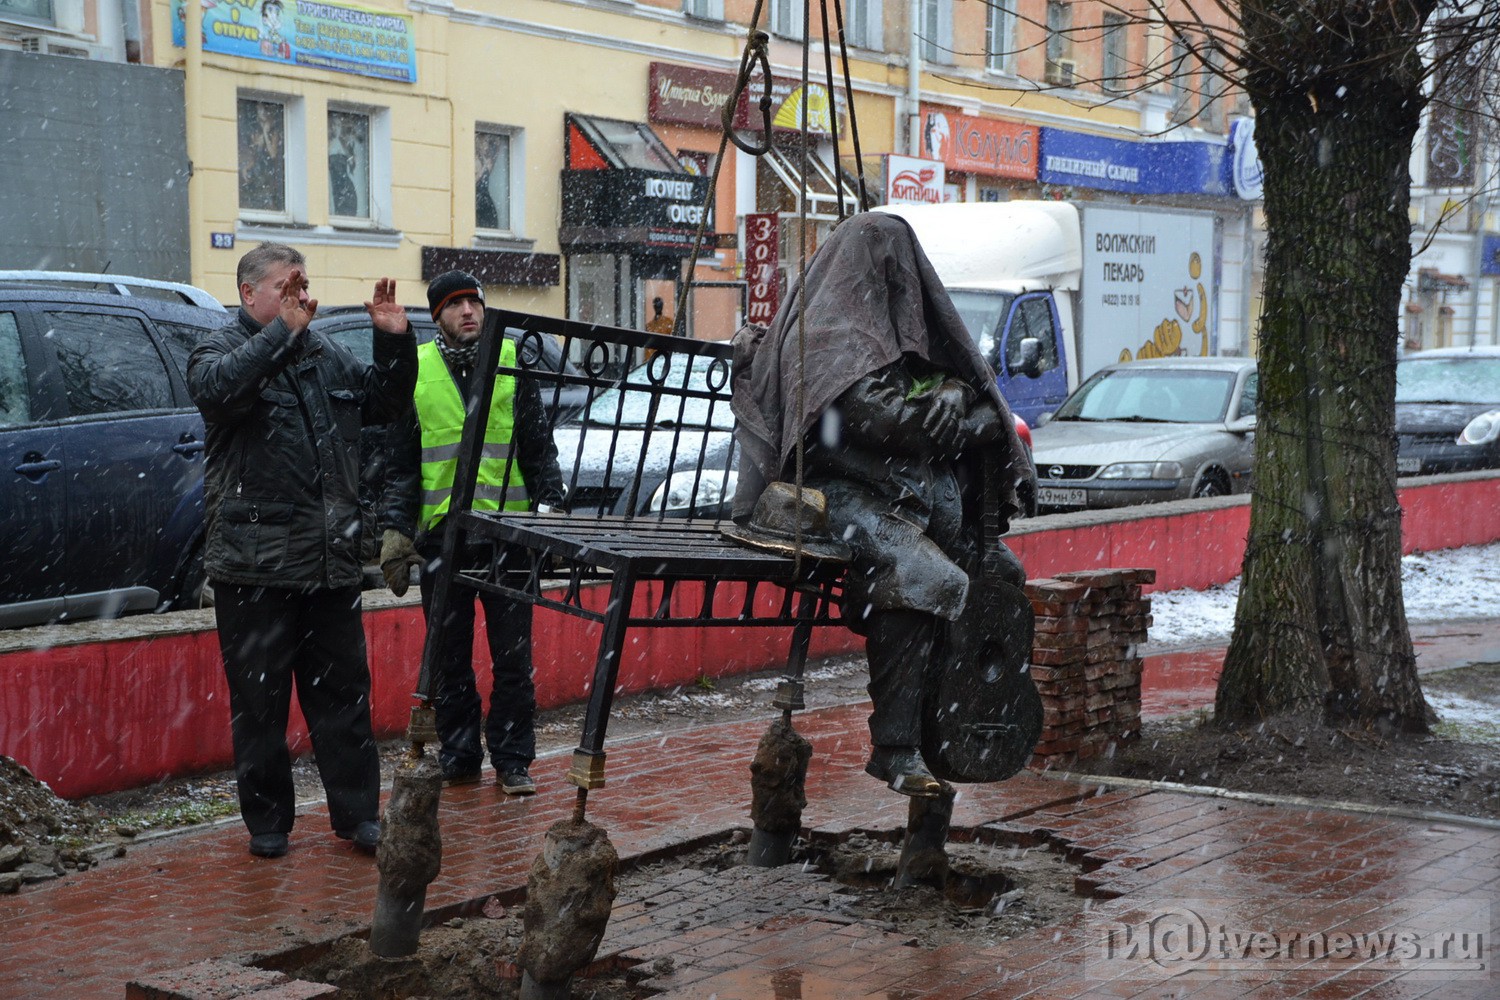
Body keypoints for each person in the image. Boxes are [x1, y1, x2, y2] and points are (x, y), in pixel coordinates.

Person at [729, 212, 1030, 798]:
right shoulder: (824, 336)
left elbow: (983, 402)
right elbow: (883, 420)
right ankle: (895, 744)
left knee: (1003, 575)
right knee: (920, 574)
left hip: (904, 495)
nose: (901, 280)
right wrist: (966, 419)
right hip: (825, 492)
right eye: (889, 266)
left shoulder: (893, 336)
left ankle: (954, 722)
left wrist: (952, 394)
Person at [187, 243, 417, 858]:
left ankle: (358, 815)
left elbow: (384, 405)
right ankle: (267, 823)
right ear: (248, 294)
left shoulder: (325, 353)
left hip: (328, 564)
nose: (302, 298)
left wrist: (394, 342)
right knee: (259, 705)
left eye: (305, 286)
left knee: (343, 697)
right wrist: (279, 338)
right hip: (254, 569)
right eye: (288, 288)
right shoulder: (220, 350)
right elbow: (219, 392)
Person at [379, 270, 566, 793]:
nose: (469, 312)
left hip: (507, 538)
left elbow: (537, 447)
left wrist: (550, 505)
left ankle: (512, 761)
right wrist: (396, 530)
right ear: (437, 315)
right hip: (444, 540)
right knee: (449, 659)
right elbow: (401, 462)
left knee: (513, 662)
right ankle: (460, 757)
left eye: (475, 303)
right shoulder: (416, 369)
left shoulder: (510, 364)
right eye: (456, 305)